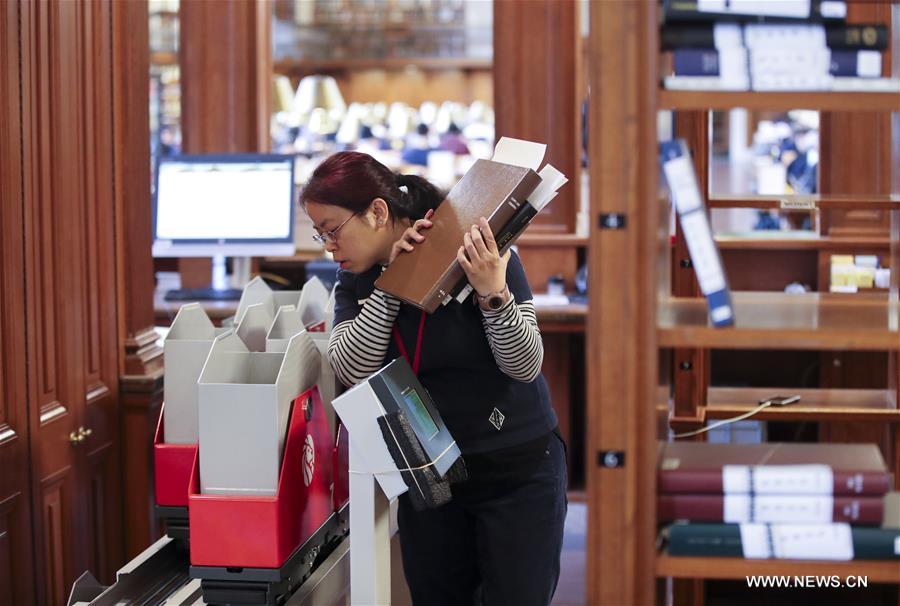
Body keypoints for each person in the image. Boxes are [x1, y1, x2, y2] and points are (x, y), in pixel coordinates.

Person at [301, 151, 567, 606]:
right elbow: (350, 366)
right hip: (431, 479)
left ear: (378, 212)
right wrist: (392, 285)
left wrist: (493, 292)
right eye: (319, 233)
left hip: (516, 468)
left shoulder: (476, 247)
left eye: (332, 230)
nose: (328, 246)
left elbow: (524, 366)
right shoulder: (357, 279)